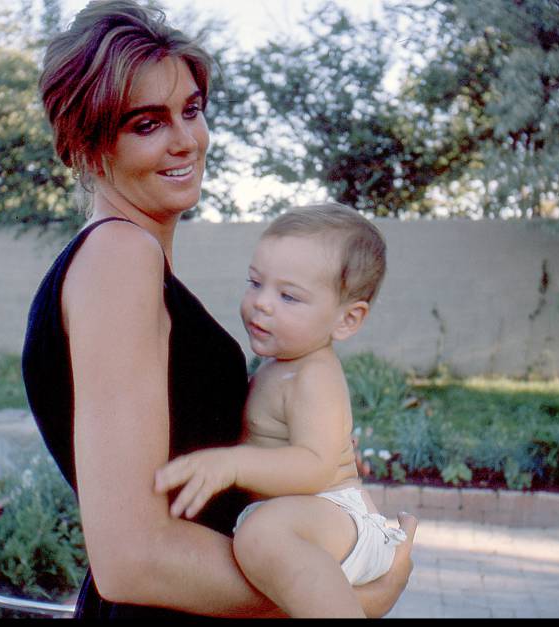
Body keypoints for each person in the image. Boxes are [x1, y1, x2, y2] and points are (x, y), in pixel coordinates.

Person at [21, 0, 417, 618]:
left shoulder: (130, 262)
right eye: (146, 123)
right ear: (86, 142)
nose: (186, 140)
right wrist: (350, 600)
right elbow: (133, 558)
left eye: (192, 110)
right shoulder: (120, 258)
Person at [154, 204, 405, 618]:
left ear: (347, 320)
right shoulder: (281, 366)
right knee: (260, 538)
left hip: (338, 516)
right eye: (255, 283)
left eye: (288, 296)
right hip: (308, 521)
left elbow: (317, 467)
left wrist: (232, 464)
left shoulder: (314, 375)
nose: (262, 304)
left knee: (260, 537)